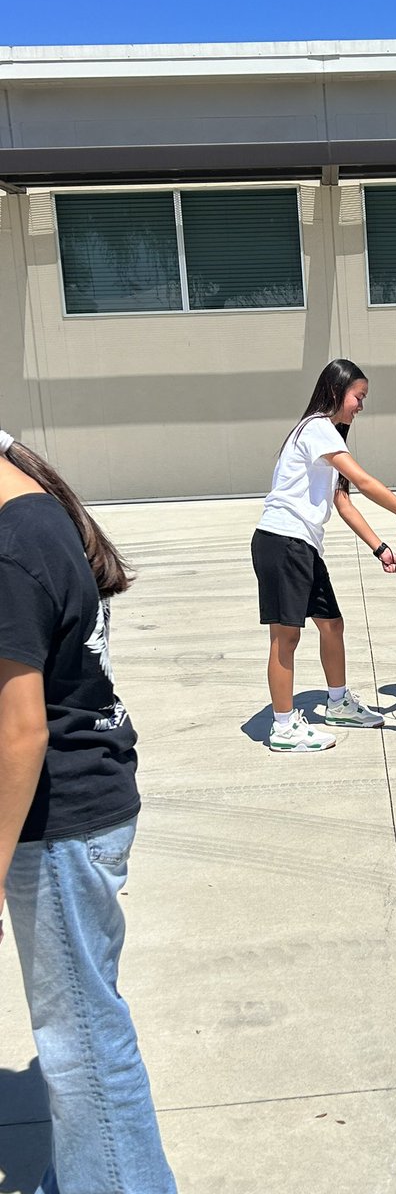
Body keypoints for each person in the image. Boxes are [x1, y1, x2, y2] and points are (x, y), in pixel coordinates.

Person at [0, 428, 177, 1194]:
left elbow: (22, 731)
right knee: (84, 1026)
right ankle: (88, 1174)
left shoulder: (9, 546)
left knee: (82, 1043)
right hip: (88, 804)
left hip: (60, 822)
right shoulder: (39, 510)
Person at [251, 359, 396, 752]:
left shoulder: (325, 437)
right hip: (282, 541)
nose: (361, 405)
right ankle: (284, 727)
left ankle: (337, 704)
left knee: (331, 625)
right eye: (359, 396)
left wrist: (381, 548)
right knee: (285, 638)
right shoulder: (318, 428)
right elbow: (364, 481)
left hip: (301, 545)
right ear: (337, 391)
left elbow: (343, 501)